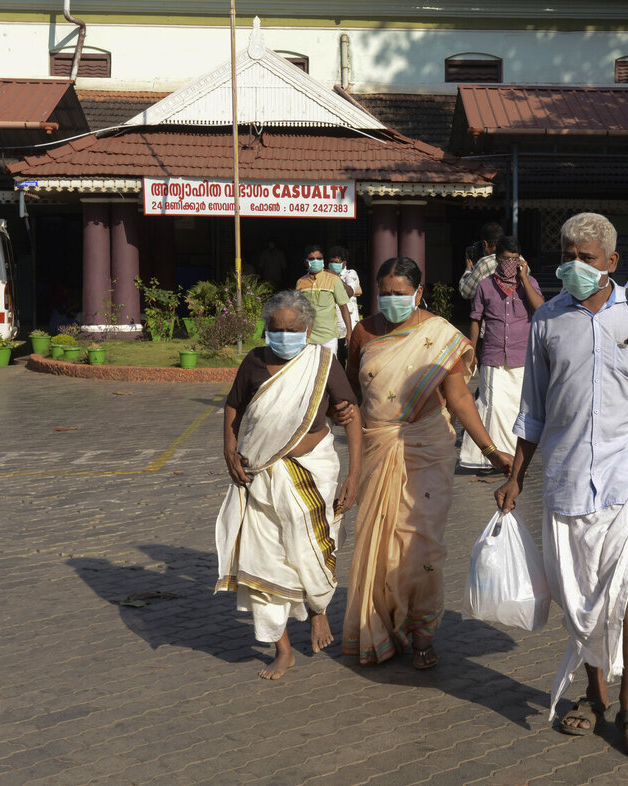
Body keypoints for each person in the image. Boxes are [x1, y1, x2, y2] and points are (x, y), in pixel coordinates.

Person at [495, 213, 628, 756]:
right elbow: (532, 412)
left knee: (622, 584)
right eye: (568, 255)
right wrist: (516, 478)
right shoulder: (548, 322)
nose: (575, 266)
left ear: (612, 262)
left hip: (626, 473)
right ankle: (594, 695)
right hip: (563, 477)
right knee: (578, 593)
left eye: (586, 258)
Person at [342, 256, 513, 670]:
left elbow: (458, 398)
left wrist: (490, 450)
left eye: (401, 294)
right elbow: (350, 395)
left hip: (427, 447)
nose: (392, 300)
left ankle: (421, 633)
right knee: (379, 545)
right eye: (385, 293)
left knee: (421, 545)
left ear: (418, 292)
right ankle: (380, 629)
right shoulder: (363, 332)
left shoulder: (439, 334)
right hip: (378, 447)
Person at [215, 291, 363, 680]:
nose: (283, 335)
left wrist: (354, 474)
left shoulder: (322, 362)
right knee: (261, 558)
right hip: (259, 473)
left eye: (292, 329)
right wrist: (229, 449)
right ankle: (282, 649)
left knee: (311, 543)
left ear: (309, 330)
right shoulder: (255, 362)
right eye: (275, 329)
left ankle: (318, 610)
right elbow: (234, 405)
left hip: (314, 470)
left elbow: (351, 417)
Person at [459, 236, 545, 471]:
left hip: (521, 357)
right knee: (493, 405)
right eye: (506, 259)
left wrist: (524, 278)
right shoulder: (486, 285)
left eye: (515, 259)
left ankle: (514, 460)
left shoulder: (529, 283)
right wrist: (472, 350)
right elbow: (476, 319)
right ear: (497, 259)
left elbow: (540, 308)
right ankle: (488, 457)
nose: (510, 263)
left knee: (516, 408)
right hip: (493, 354)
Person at [296, 244, 352, 356]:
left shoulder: (334, 279)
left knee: (328, 369)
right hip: (307, 337)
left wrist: (349, 332)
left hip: (328, 337)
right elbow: (298, 310)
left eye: (319, 258)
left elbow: (343, 307)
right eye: (312, 259)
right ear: (306, 262)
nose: (316, 261)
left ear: (323, 261)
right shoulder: (300, 283)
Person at [327, 245, 362, 362]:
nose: (333, 264)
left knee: (352, 360)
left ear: (344, 263)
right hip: (333, 328)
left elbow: (350, 292)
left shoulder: (350, 274)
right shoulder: (326, 276)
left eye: (336, 262)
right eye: (331, 262)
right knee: (337, 362)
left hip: (349, 326)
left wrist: (336, 278)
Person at [458, 222, 506, 299]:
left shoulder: (483, 264)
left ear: (485, 243)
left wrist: (469, 269)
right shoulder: (519, 258)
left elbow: (466, 292)